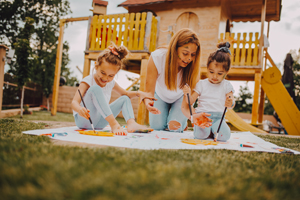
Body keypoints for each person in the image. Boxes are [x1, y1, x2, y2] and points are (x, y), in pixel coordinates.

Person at [71, 44, 155, 136]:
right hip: (84, 121)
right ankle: (114, 124)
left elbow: (126, 93)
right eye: (103, 73)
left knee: (125, 98)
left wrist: (139, 93)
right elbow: (74, 102)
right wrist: (79, 109)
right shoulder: (87, 81)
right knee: (95, 88)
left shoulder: (111, 83)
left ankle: (132, 124)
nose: (105, 78)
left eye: (111, 75)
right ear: (96, 67)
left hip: (100, 123)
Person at [143, 28, 211, 132]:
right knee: (157, 127)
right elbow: (148, 92)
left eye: (193, 54)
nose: (189, 58)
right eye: (185, 53)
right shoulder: (157, 57)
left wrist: (192, 115)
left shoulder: (194, 68)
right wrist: (148, 102)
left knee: (174, 128)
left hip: (180, 99)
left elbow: (188, 100)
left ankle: (181, 123)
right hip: (160, 96)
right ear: (175, 49)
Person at [182, 42, 235, 141]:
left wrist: (230, 102)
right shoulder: (201, 84)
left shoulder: (227, 85)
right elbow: (191, 101)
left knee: (224, 137)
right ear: (207, 68)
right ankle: (208, 131)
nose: (214, 76)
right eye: (211, 72)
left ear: (226, 72)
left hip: (219, 118)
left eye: (220, 73)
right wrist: (187, 94)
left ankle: (212, 130)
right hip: (203, 116)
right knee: (200, 136)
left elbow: (231, 101)